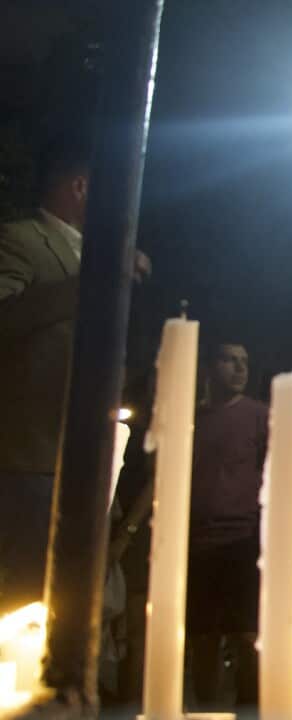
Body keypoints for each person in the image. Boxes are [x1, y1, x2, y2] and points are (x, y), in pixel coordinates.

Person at [0, 133, 150, 609]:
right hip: (29, 460)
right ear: (82, 188)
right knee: (26, 601)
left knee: (78, 601)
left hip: (86, 455)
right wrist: (97, 277)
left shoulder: (91, 255)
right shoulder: (20, 239)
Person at [186, 340, 269, 706]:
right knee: (200, 636)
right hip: (196, 542)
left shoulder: (259, 415)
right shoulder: (192, 418)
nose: (239, 368)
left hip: (242, 541)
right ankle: (203, 708)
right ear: (207, 367)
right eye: (228, 360)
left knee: (247, 634)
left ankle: (248, 708)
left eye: (244, 360)